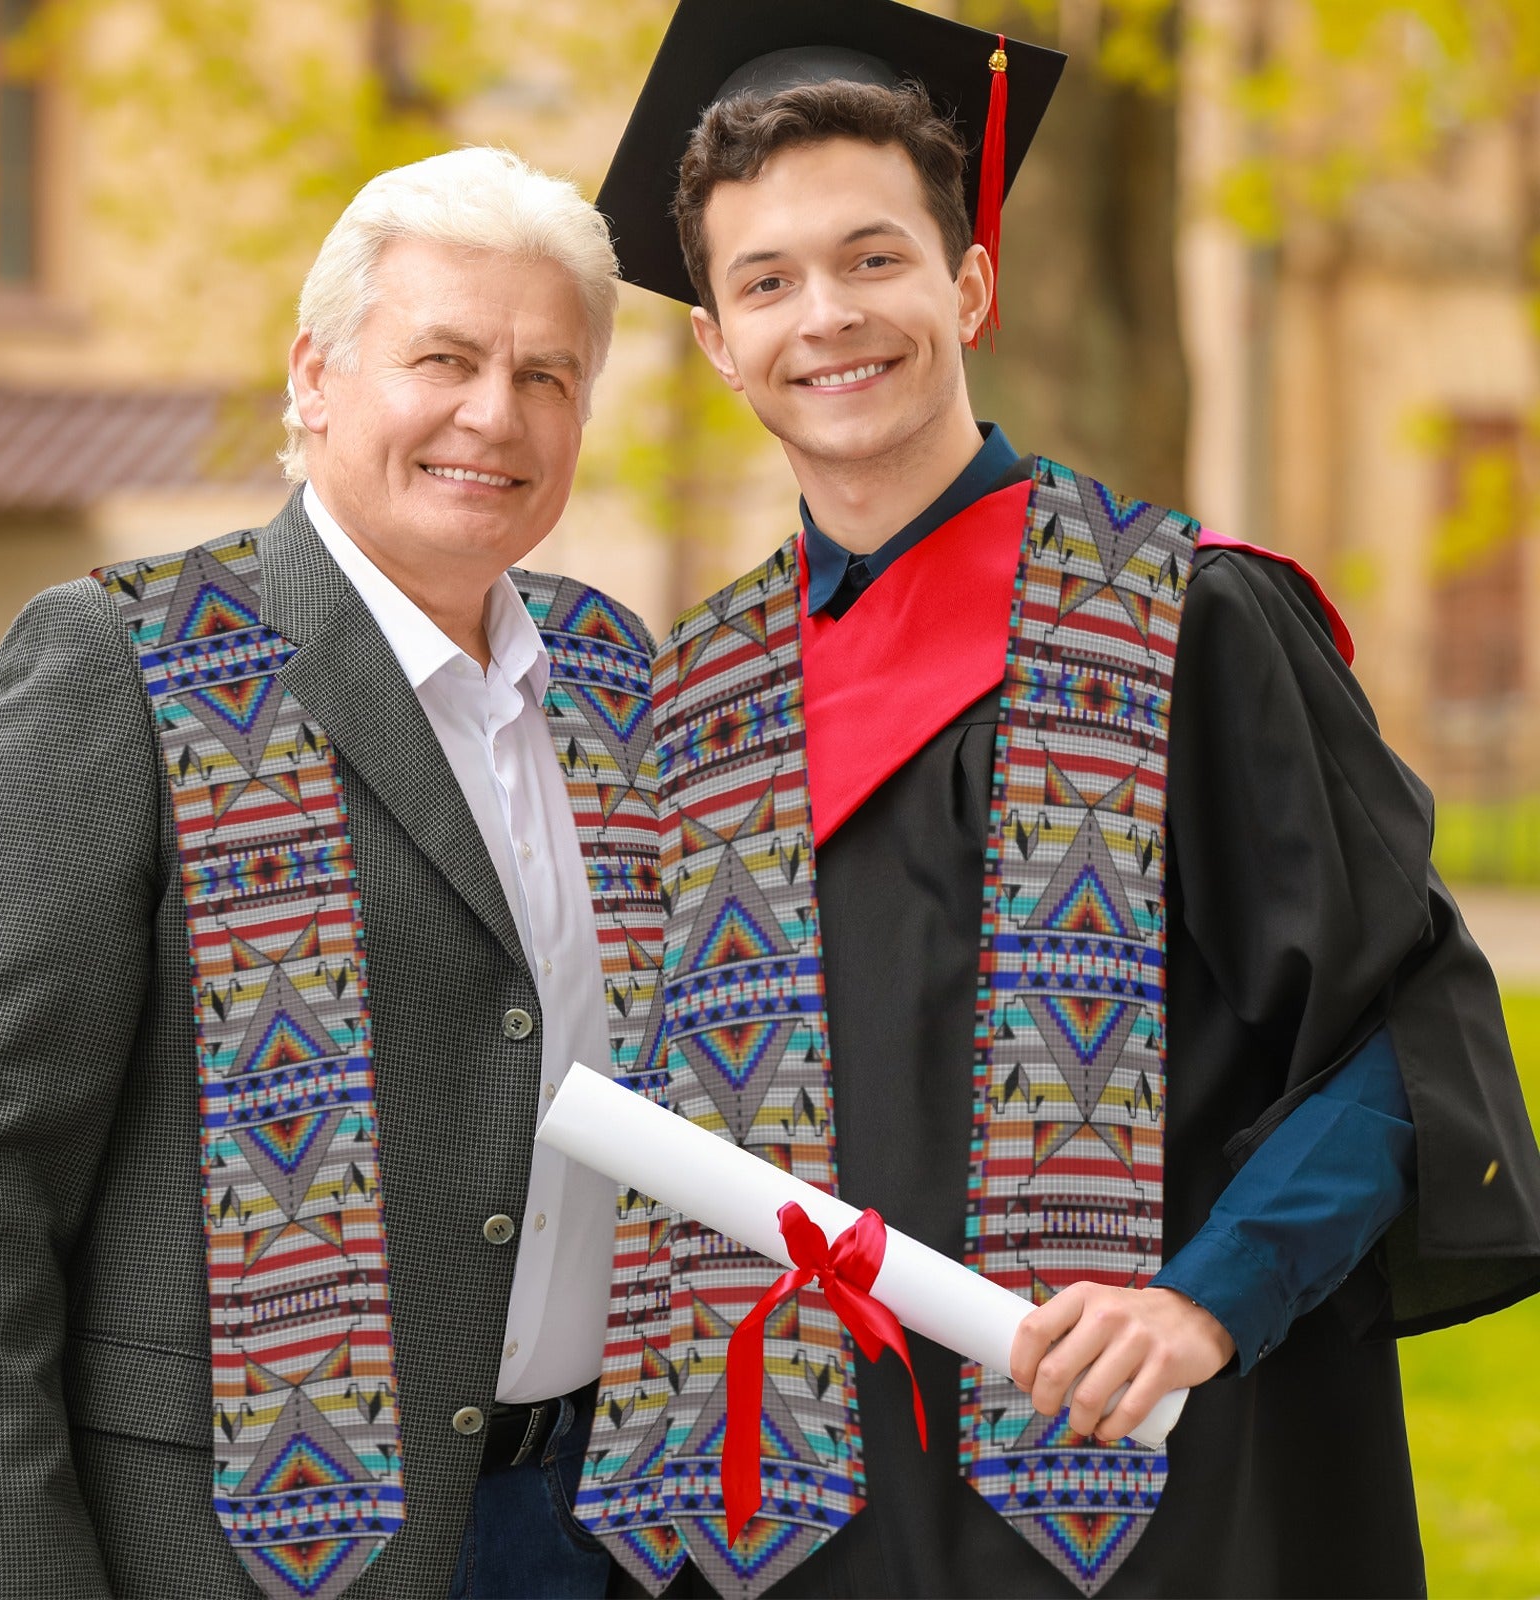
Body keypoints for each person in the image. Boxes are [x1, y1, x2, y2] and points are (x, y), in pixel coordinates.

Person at [570, 3, 1540, 1597]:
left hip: (1141, 1500)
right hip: (798, 1529)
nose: (828, 316)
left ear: (969, 282)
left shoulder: (1189, 622)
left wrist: (1207, 1300)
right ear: (718, 342)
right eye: (768, 281)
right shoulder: (698, 698)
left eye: (875, 259)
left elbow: (1401, 1034)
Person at [0, 146, 662, 1600]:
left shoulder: (612, 674)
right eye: (444, 357)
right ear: (315, 377)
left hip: (590, 1532)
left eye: (546, 375)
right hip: (235, 1550)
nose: (493, 413)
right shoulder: (129, 663)